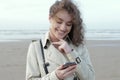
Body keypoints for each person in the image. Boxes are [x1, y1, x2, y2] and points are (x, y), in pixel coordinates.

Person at [26, 0, 95, 80]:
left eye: (68, 24)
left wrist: (71, 52)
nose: (63, 28)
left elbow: (90, 78)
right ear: (50, 18)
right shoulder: (36, 47)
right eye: (59, 22)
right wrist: (55, 76)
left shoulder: (78, 45)